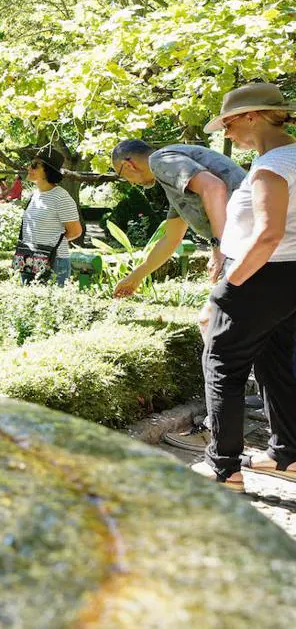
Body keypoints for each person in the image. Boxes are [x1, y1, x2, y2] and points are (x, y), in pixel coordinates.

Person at [189, 83, 296, 491]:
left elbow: (266, 236)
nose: (226, 133)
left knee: (221, 364)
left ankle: (223, 468)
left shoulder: (273, 166)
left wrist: (228, 289)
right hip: (289, 276)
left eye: (229, 123)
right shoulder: (286, 158)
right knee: (274, 362)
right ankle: (286, 455)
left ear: (253, 116)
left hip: (259, 274)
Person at [110, 139, 246, 297]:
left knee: (226, 312)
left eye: (122, 175)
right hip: (248, 241)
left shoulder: (160, 160)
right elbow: (171, 239)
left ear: (128, 165)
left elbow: (213, 187)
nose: (131, 183)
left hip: (244, 241)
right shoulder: (175, 179)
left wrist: (219, 249)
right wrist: (135, 277)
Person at [18, 150, 83, 285]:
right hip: (28, 258)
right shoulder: (35, 195)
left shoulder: (61, 197)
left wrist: (53, 240)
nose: (29, 168)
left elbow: (76, 231)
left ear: (48, 171)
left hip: (54, 260)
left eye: (35, 165)